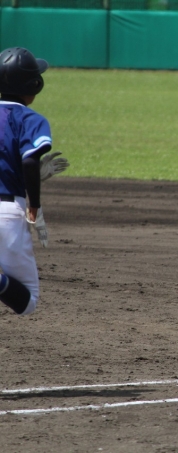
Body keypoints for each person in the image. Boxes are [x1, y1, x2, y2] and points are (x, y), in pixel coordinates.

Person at [0, 47, 58, 316]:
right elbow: (29, 161)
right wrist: (35, 204)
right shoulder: (30, 119)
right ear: (33, 84)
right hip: (8, 212)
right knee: (28, 301)